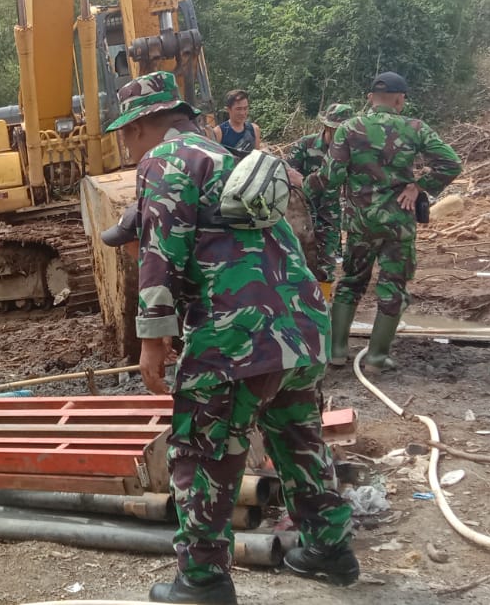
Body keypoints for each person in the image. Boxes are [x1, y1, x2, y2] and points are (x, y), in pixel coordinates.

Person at [104, 71, 356, 603]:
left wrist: (153, 336)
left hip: (236, 331)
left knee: (202, 448)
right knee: (298, 438)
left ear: (150, 122)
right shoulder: (226, 158)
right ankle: (329, 549)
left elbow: (161, 251)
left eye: (128, 132)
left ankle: (202, 581)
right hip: (300, 322)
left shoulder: (168, 158)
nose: (127, 145)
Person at [315, 72, 460, 369]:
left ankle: (337, 351)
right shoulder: (415, 128)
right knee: (393, 285)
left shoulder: (349, 129)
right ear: (399, 99)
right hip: (398, 225)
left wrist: (301, 186)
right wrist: (419, 186)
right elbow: (451, 163)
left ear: (370, 98)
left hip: (360, 223)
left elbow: (330, 178)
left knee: (351, 282)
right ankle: (378, 356)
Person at [288, 102, 356, 300]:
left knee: (325, 266)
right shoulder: (305, 145)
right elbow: (288, 173)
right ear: (327, 127)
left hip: (330, 215)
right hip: (300, 214)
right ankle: (295, 306)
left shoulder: (350, 151)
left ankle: (322, 309)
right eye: (337, 130)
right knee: (296, 259)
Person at [208, 89, 260, 156]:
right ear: (228, 109)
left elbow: (257, 158)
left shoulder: (254, 129)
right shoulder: (219, 132)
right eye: (238, 109)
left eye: (245, 108)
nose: (242, 113)